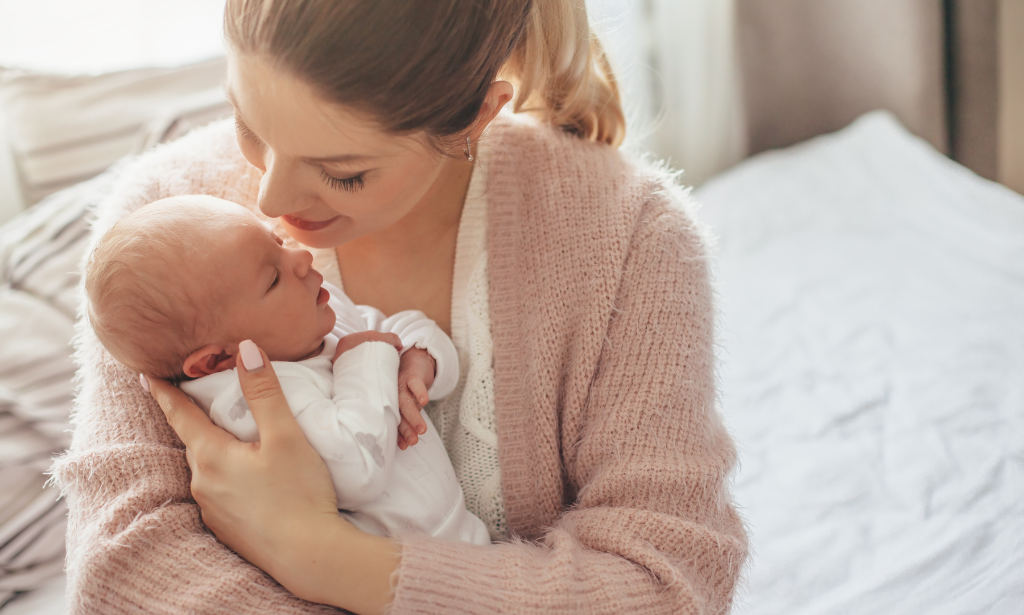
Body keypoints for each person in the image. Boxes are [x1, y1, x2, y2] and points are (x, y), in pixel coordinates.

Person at [52, 0, 749, 613]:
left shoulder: (630, 239)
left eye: (343, 172)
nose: (271, 202)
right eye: (249, 122)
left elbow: (666, 584)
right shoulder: (161, 230)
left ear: (476, 116)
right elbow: (122, 575)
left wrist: (323, 558)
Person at [83, 195, 490, 545]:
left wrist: (419, 359)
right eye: (273, 278)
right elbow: (358, 471)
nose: (300, 257)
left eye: (277, 242)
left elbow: (400, 327)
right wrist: (364, 357)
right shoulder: (248, 405)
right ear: (216, 361)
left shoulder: (315, 321)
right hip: (400, 571)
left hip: (463, 536)